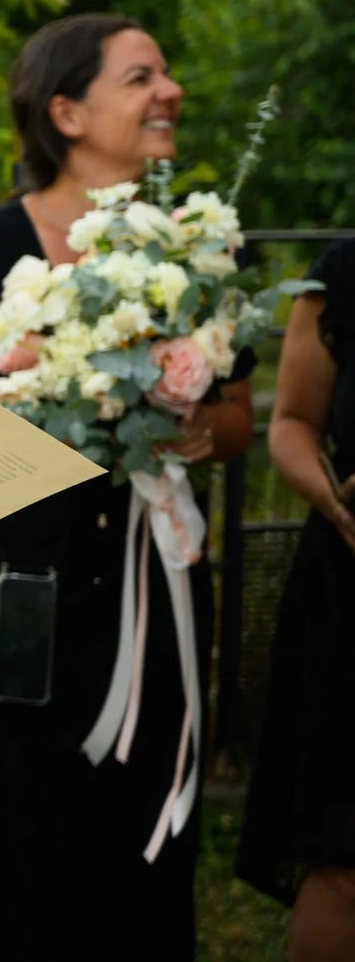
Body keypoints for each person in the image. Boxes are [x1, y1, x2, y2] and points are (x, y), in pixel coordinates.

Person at [0, 13, 255, 961]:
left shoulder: (196, 247)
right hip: (18, 606)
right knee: (12, 857)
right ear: (65, 110)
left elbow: (236, 422)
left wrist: (184, 420)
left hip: (154, 596)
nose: (171, 92)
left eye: (168, 76)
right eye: (143, 76)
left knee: (139, 856)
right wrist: (74, 387)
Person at [236, 237, 355, 960]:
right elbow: (291, 423)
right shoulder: (341, 276)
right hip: (347, 587)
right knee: (343, 859)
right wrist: (336, 502)